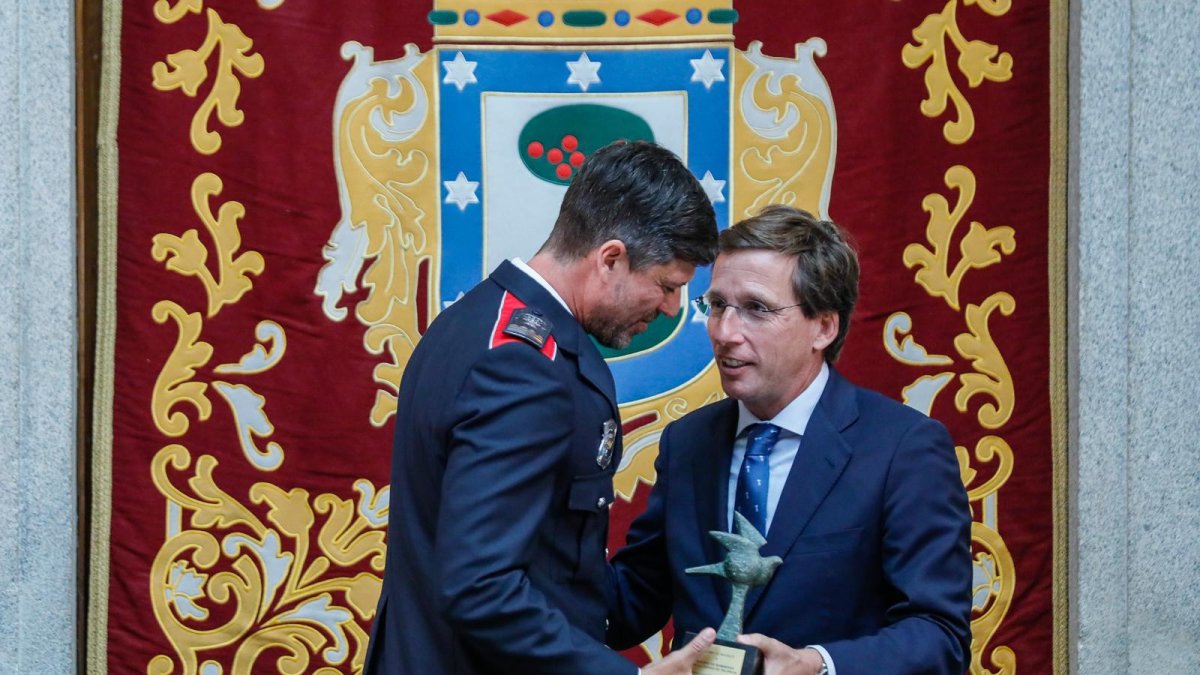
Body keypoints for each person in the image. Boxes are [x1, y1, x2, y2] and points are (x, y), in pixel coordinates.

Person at [365, 140, 721, 674]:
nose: (672, 307)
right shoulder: (523, 365)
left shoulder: (476, 320)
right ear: (611, 259)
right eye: (666, 285)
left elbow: (552, 568)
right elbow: (481, 588)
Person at [607, 205, 973, 674]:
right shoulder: (689, 443)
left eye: (757, 309)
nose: (725, 333)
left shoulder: (903, 449)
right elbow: (632, 602)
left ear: (824, 326)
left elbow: (939, 636)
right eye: (717, 305)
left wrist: (818, 665)